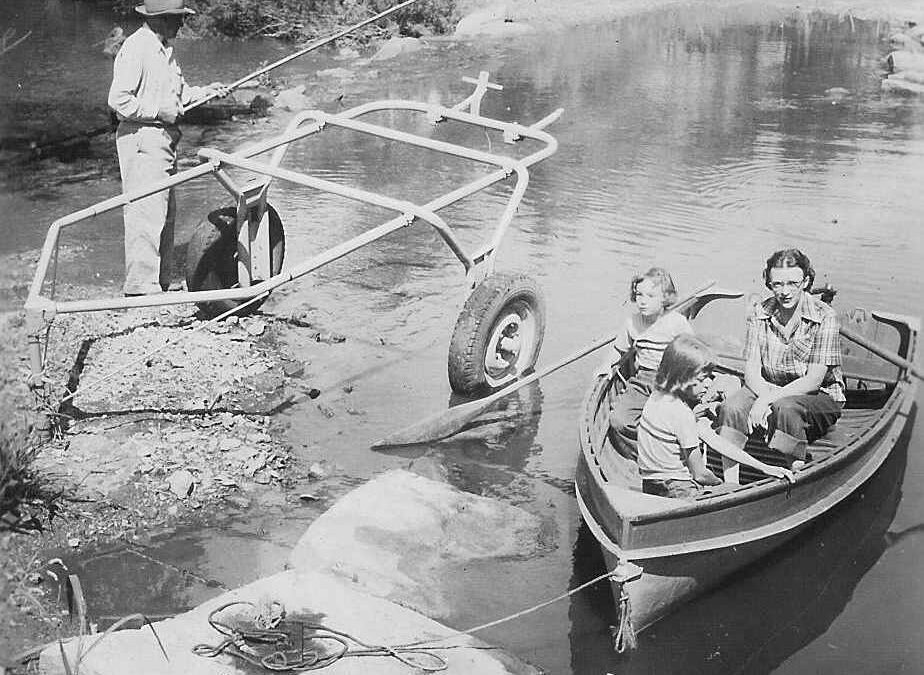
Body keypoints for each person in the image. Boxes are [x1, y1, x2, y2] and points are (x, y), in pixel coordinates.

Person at [108, 0, 228, 296]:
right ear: (160, 18)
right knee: (145, 213)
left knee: (164, 212)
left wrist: (207, 92)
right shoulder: (137, 47)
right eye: (178, 18)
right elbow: (118, 100)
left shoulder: (165, 50)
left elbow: (178, 97)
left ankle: (157, 283)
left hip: (164, 140)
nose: (182, 23)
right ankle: (140, 287)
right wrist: (157, 112)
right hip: (142, 138)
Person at [716, 248, 844, 470]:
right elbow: (751, 372)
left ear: (805, 282)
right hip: (768, 386)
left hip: (817, 396)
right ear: (769, 283)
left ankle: (795, 473)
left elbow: (813, 381)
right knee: (732, 407)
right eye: (777, 284)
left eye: (792, 283)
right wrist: (766, 397)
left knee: (785, 408)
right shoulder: (760, 312)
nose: (785, 292)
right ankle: (730, 483)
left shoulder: (825, 316)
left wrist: (766, 401)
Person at [639, 334, 794, 499]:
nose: (708, 384)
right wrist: (721, 484)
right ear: (682, 377)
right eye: (702, 379)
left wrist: (764, 467)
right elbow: (700, 474)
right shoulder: (682, 414)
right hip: (680, 490)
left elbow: (715, 440)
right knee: (736, 490)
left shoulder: (656, 397)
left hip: (651, 485)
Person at [605, 267, 694, 455]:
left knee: (674, 421)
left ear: (665, 298)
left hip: (672, 380)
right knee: (618, 420)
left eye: (651, 296)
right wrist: (605, 366)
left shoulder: (677, 322)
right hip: (644, 380)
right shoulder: (632, 322)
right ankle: (644, 452)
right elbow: (618, 351)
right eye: (639, 295)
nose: (642, 301)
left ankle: (672, 447)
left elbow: (693, 354)